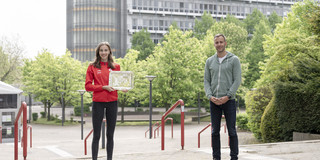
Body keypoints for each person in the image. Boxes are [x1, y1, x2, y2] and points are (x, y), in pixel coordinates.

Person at [85, 42, 127, 160]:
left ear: (109, 52)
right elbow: (88, 86)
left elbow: (117, 84)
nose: (103, 53)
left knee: (110, 135)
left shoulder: (116, 66)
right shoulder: (92, 66)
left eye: (105, 50)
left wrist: (123, 88)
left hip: (112, 102)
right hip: (98, 102)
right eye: (101, 50)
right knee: (97, 135)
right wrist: (103, 87)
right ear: (98, 52)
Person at [204, 34, 241, 160]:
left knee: (232, 131)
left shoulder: (234, 59)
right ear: (214, 44)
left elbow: (237, 80)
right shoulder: (209, 61)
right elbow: (206, 81)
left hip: (229, 101)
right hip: (214, 101)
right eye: (216, 42)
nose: (219, 44)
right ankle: (216, 157)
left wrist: (228, 95)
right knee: (214, 132)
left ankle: (234, 157)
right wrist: (210, 96)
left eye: (221, 42)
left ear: (225, 43)